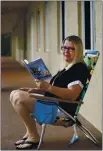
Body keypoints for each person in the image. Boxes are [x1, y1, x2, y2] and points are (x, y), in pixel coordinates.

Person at [10, 35, 90, 149]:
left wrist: (48, 88)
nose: (66, 51)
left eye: (71, 49)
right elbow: (53, 89)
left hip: (61, 110)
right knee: (14, 93)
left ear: (78, 50)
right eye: (64, 48)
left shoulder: (79, 69)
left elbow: (72, 95)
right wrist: (35, 90)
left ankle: (33, 137)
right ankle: (29, 132)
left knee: (18, 98)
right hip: (52, 102)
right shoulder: (68, 67)